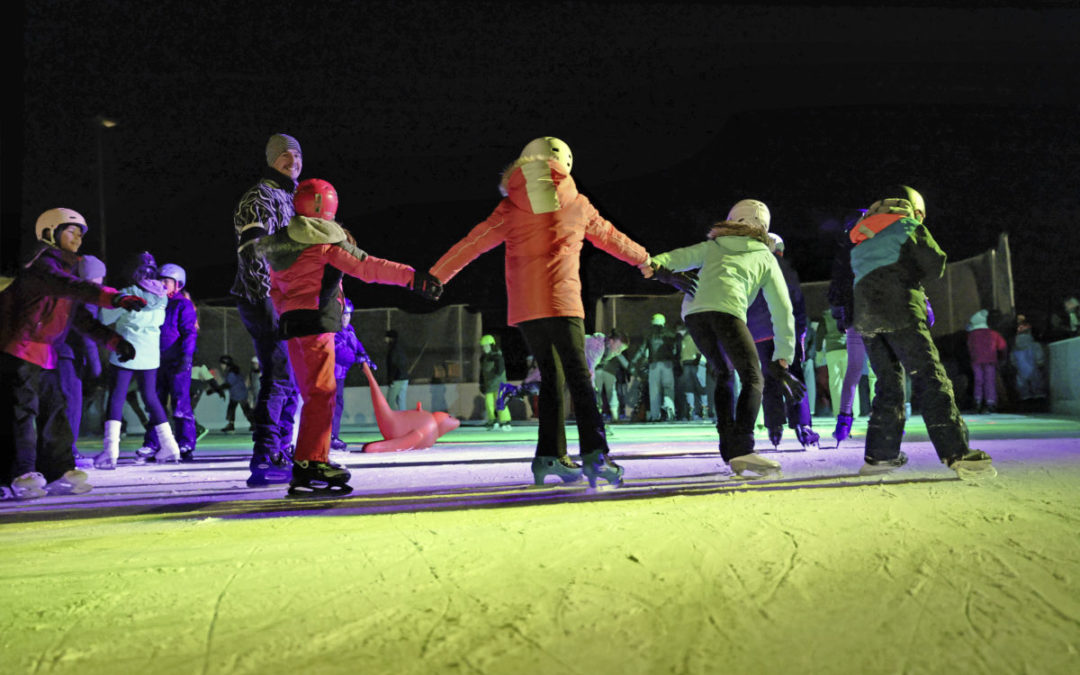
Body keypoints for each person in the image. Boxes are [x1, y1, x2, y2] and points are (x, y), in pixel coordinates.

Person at [428, 137, 680, 487]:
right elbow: (613, 238)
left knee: (552, 379)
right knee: (579, 377)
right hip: (563, 304)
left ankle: (549, 455)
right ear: (566, 163)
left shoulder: (511, 206)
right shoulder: (576, 203)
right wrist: (648, 263)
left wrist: (437, 274)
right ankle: (596, 454)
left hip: (527, 309)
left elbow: (474, 241)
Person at [254, 177, 438, 495]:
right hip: (317, 325)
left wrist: (288, 312)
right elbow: (368, 267)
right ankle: (311, 462)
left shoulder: (280, 246)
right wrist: (411, 278)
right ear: (330, 206)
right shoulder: (326, 242)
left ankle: (307, 462)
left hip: (292, 328)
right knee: (322, 395)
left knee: (312, 396)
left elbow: (274, 290)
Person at [651, 199, 804, 477]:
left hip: (693, 312)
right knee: (752, 376)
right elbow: (783, 309)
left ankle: (728, 445)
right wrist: (783, 357)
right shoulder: (765, 256)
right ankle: (743, 447)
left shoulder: (712, 246)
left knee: (723, 373)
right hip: (727, 311)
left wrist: (663, 274)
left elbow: (663, 260)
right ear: (765, 228)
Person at [849, 185, 994, 477]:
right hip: (901, 311)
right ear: (914, 210)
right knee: (930, 376)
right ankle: (957, 451)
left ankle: (880, 455)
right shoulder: (906, 224)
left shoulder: (862, 240)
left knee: (888, 385)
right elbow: (934, 261)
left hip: (866, 319)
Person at [0, 208, 142, 498]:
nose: (78, 236)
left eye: (81, 233)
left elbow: (80, 318)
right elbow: (71, 288)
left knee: (56, 413)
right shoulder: (40, 266)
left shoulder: (66, 270)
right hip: (18, 350)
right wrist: (113, 297)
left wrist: (114, 341)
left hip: (45, 353)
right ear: (50, 233)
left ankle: (58, 472)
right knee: (22, 414)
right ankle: (20, 472)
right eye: (71, 230)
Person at [230, 133, 303, 486]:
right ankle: (266, 454)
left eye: (297, 156)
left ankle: (280, 450)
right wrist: (271, 299)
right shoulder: (259, 197)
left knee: (288, 375)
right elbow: (253, 250)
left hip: (283, 299)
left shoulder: (291, 198)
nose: (293, 161)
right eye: (285, 156)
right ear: (271, 160)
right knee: (279, 375)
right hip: (265, 299)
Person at [96, 251, 178, 469]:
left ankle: (110, 450)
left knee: (116, 398)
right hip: (151, 354)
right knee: (151, 397)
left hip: (126, 351)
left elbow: (104, 318)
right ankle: (170, 445)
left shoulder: (127, 293)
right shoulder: (161, 295)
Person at [747, 232, 818, 448]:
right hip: (784, 331)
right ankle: (802, 426)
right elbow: (795, 299)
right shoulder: (783, 267)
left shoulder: (751, 266)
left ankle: (774, 428)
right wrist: (801, 330)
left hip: (759, 334)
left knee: (769, 380)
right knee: (794, 376)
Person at [136, 263, 199, 462]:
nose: (162, 285)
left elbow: (189, 331)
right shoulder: (155, 302)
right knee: (155, 402)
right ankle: (153, 443)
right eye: (160, 280)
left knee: (181, 402)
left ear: (178, 284)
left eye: (167, 281)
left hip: (177, 360)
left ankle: (186, 442)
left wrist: (186, 356)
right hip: (155, 360)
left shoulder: (182, 304)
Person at [331, 298, 367, 450]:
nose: (346, 318)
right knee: (331, 405)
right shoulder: (334, 332)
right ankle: (329, 436)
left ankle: (333, 435)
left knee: (338, 405)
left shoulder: (349, 330)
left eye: (348, 315)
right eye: (343, 315)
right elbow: (340, 353)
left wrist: (364, 355)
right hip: (331, 375)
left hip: (340, 375)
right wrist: (356, 358)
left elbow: (356, 344)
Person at [632, 314, 679, 421]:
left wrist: (633, 362)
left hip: (654, 365)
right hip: (668, 365)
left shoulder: (649, 334)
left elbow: (641, 350)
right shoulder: (670, 334)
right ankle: (669, 410)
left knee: (654, 391)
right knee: (669, 389)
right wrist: (676, 363)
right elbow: (676, 349)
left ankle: (655, 415)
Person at [966, 309, 1007, 414]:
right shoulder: (993, 334)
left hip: (976, 361)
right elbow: (1002, 346)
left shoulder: (972, 335)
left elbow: (969, 347)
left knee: (978, 381)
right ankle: (991, 402)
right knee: (990, 381)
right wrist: (1002, 358)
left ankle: (978, 401)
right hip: (990, 361)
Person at [1010, 314, 1047, 404]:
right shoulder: (1034, 345)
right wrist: (1040, 362)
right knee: (1037, 382)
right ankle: (1039, 401)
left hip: (1021, 369)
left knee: (1022, 384)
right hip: (1034, 368)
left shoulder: (1015, 347)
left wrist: (1016, 366)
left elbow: (1013, 359)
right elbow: (1039, 356)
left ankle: (1026, 400)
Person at [479, 334, 512, 430]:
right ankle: (492, 420)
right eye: (483, 346)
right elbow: (482, 372)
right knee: (488, 403)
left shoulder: (497, 357)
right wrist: (481, 383)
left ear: (492, 345)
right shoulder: (483, 358)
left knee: (500, 403)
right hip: (489, 385)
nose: (484, 348)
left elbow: (500, 371)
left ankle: (505, 421)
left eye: (486, 345)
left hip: (499, 385)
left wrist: (493, 378)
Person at [594, 329, 628, 421]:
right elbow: (624, 362)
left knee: (598, 392)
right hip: (608, 371)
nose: (619, 351)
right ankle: (614, 415)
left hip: (598, 370)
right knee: (610, 392)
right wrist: (630, 369)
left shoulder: (605, 345)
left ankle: (598, 414)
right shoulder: (613, 348)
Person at [218, 355, 254, 432]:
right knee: (233, 409)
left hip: (239, 394)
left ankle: (254, 424)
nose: (221, 366)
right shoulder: (232, 371)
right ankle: (231, 425)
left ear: (226, 363)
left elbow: (228, 384)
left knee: (245, 410)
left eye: (222, 364)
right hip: (236, 394)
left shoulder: (232, 373)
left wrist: (217, 389)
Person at [385, 329, 410, 411]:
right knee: (401, 401)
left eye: (387, 337)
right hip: (404, 378)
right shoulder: (401, 348)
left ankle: (393, 420)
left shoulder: (393, 350)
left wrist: (390, 379)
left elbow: (393, 365)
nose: (385, 340)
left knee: (390, 402)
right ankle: (404, 420)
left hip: (396, 379)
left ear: (391, 338)